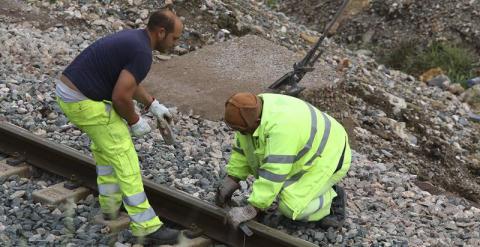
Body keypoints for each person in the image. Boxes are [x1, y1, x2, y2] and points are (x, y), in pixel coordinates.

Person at [55, 9, 183, 245]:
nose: (176, 44)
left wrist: (153, 105)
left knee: (107, 150)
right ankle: (147, 227)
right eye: (175, 38)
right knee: (124, 155)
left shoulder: (136, 39)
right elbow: (121, 96)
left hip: (71, 93)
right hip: (83, 101)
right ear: (161, 32)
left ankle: (111, 205)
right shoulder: (142, 52)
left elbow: (128, 82)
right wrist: (135, 121)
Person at [216, 92, 351, 229]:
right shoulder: (251, 110)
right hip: (306, 146)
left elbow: (274, 171)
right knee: (276, 184)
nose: (240, 133)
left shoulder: (282, 130)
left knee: (291, 208)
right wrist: (233, 178)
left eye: (242, 130)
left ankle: (332, 199)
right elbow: (243, 148)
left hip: (331, 153)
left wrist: (252, 209)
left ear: (256, 122)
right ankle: (310, 191)